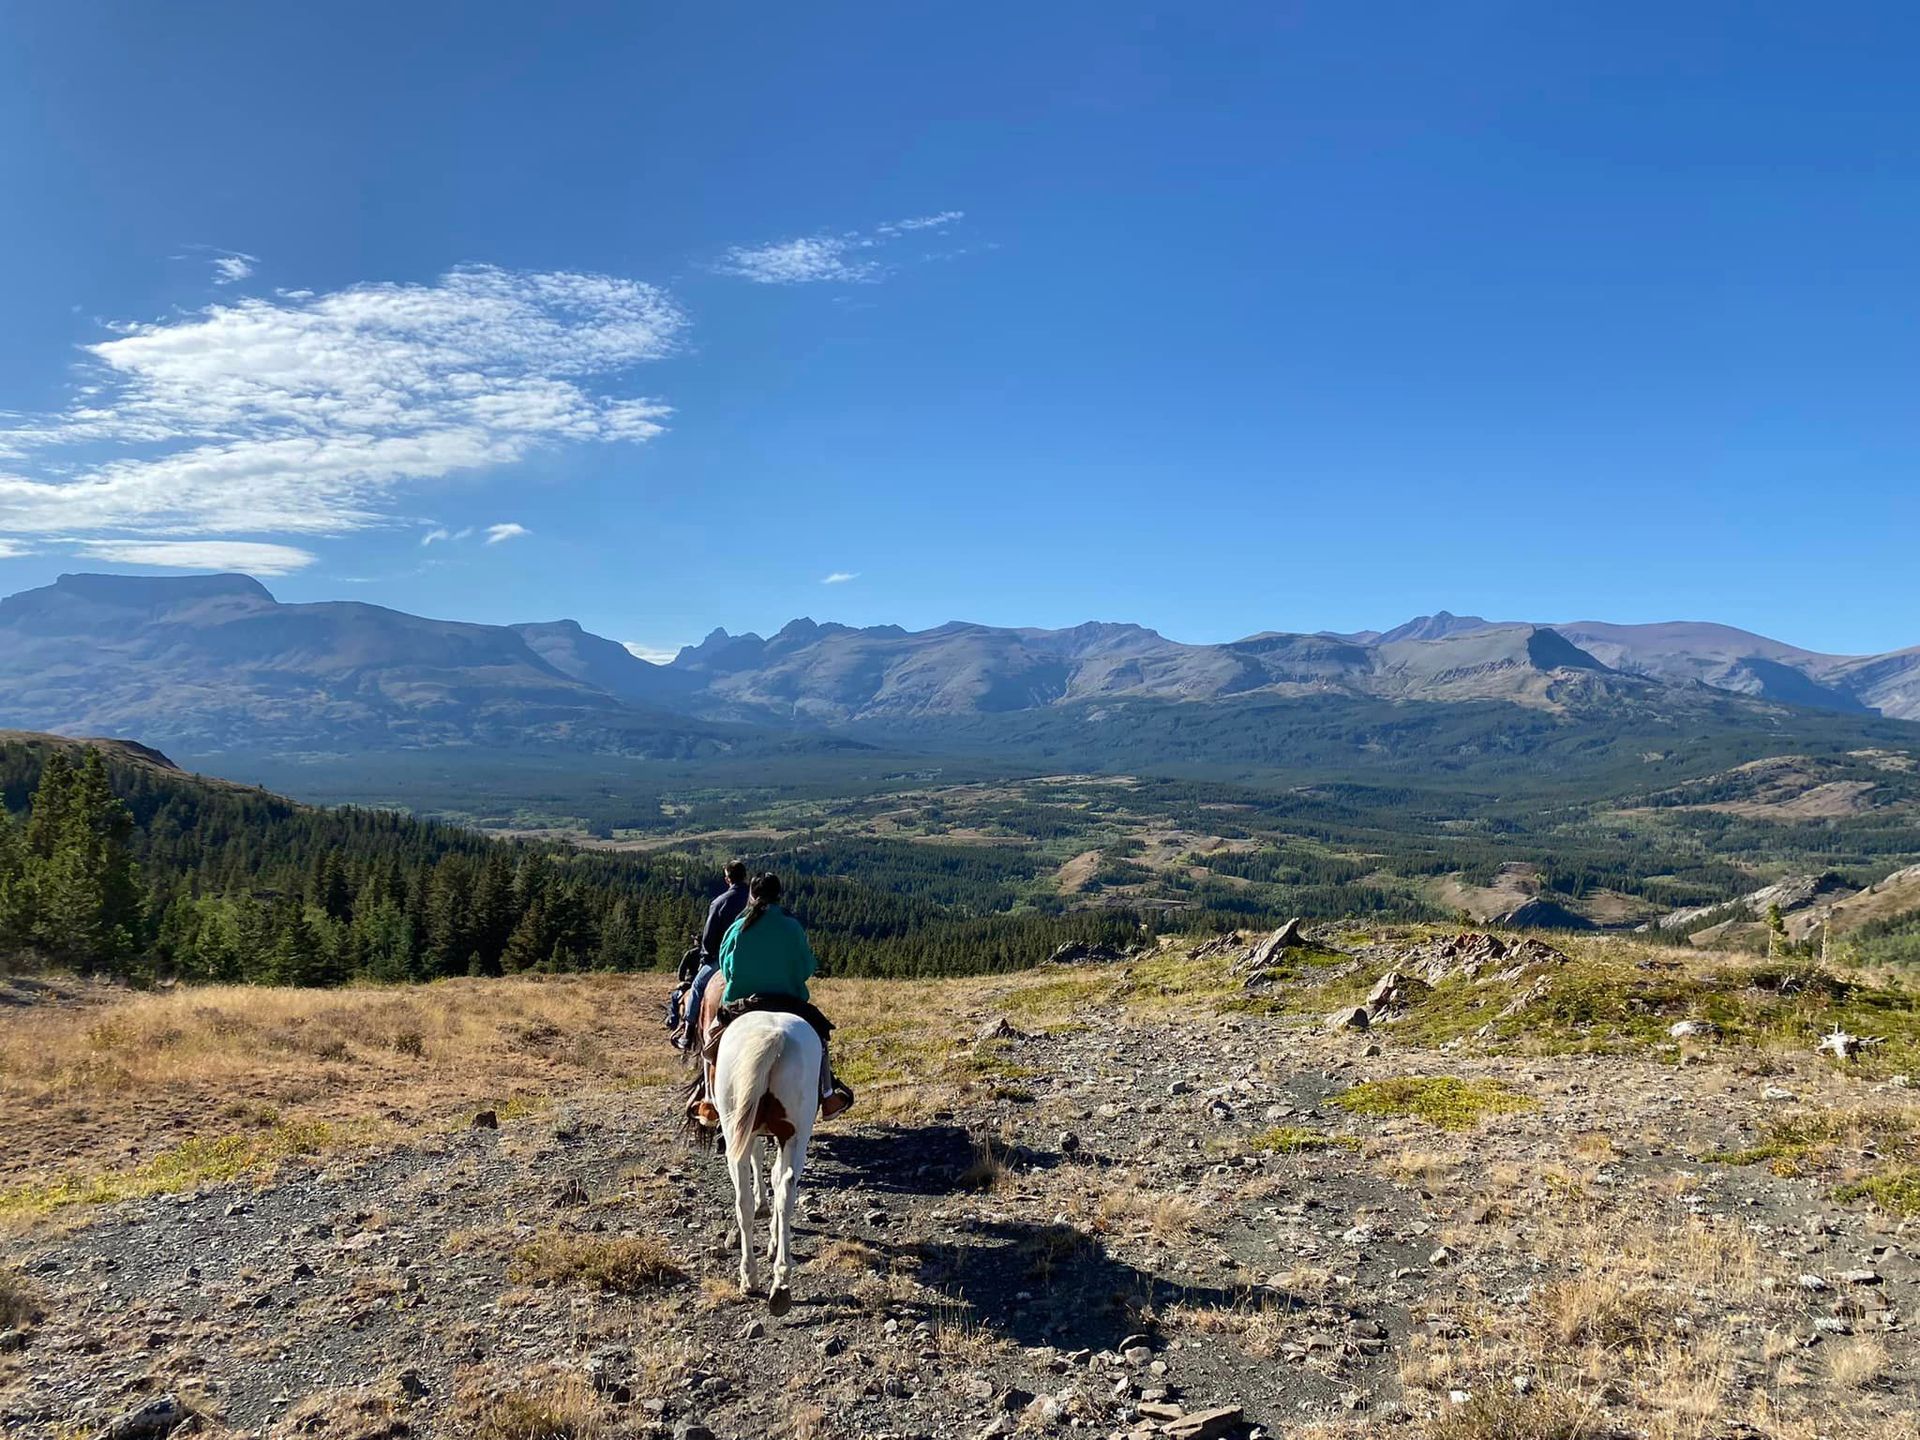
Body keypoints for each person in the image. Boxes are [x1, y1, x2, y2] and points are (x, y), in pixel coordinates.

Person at [714, 872, 853, 1118]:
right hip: (789, 1001)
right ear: (779, 896)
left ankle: (709, 1095)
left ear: (752, 895)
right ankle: (828, 1095)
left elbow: (725, 966)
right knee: (819, 1037)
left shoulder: (738, 927)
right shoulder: (792, 927)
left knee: (712, 1038)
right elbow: (806, 967)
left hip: (743, 1002)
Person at [681, 860, 749, 1048]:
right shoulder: (754, 898)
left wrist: (706, 956)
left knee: (697, 985)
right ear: (744, 876)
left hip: (722, 958)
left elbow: (709, 937)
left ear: (727, 878)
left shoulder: (720, 902)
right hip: (752, 956)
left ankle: (688, 1030)